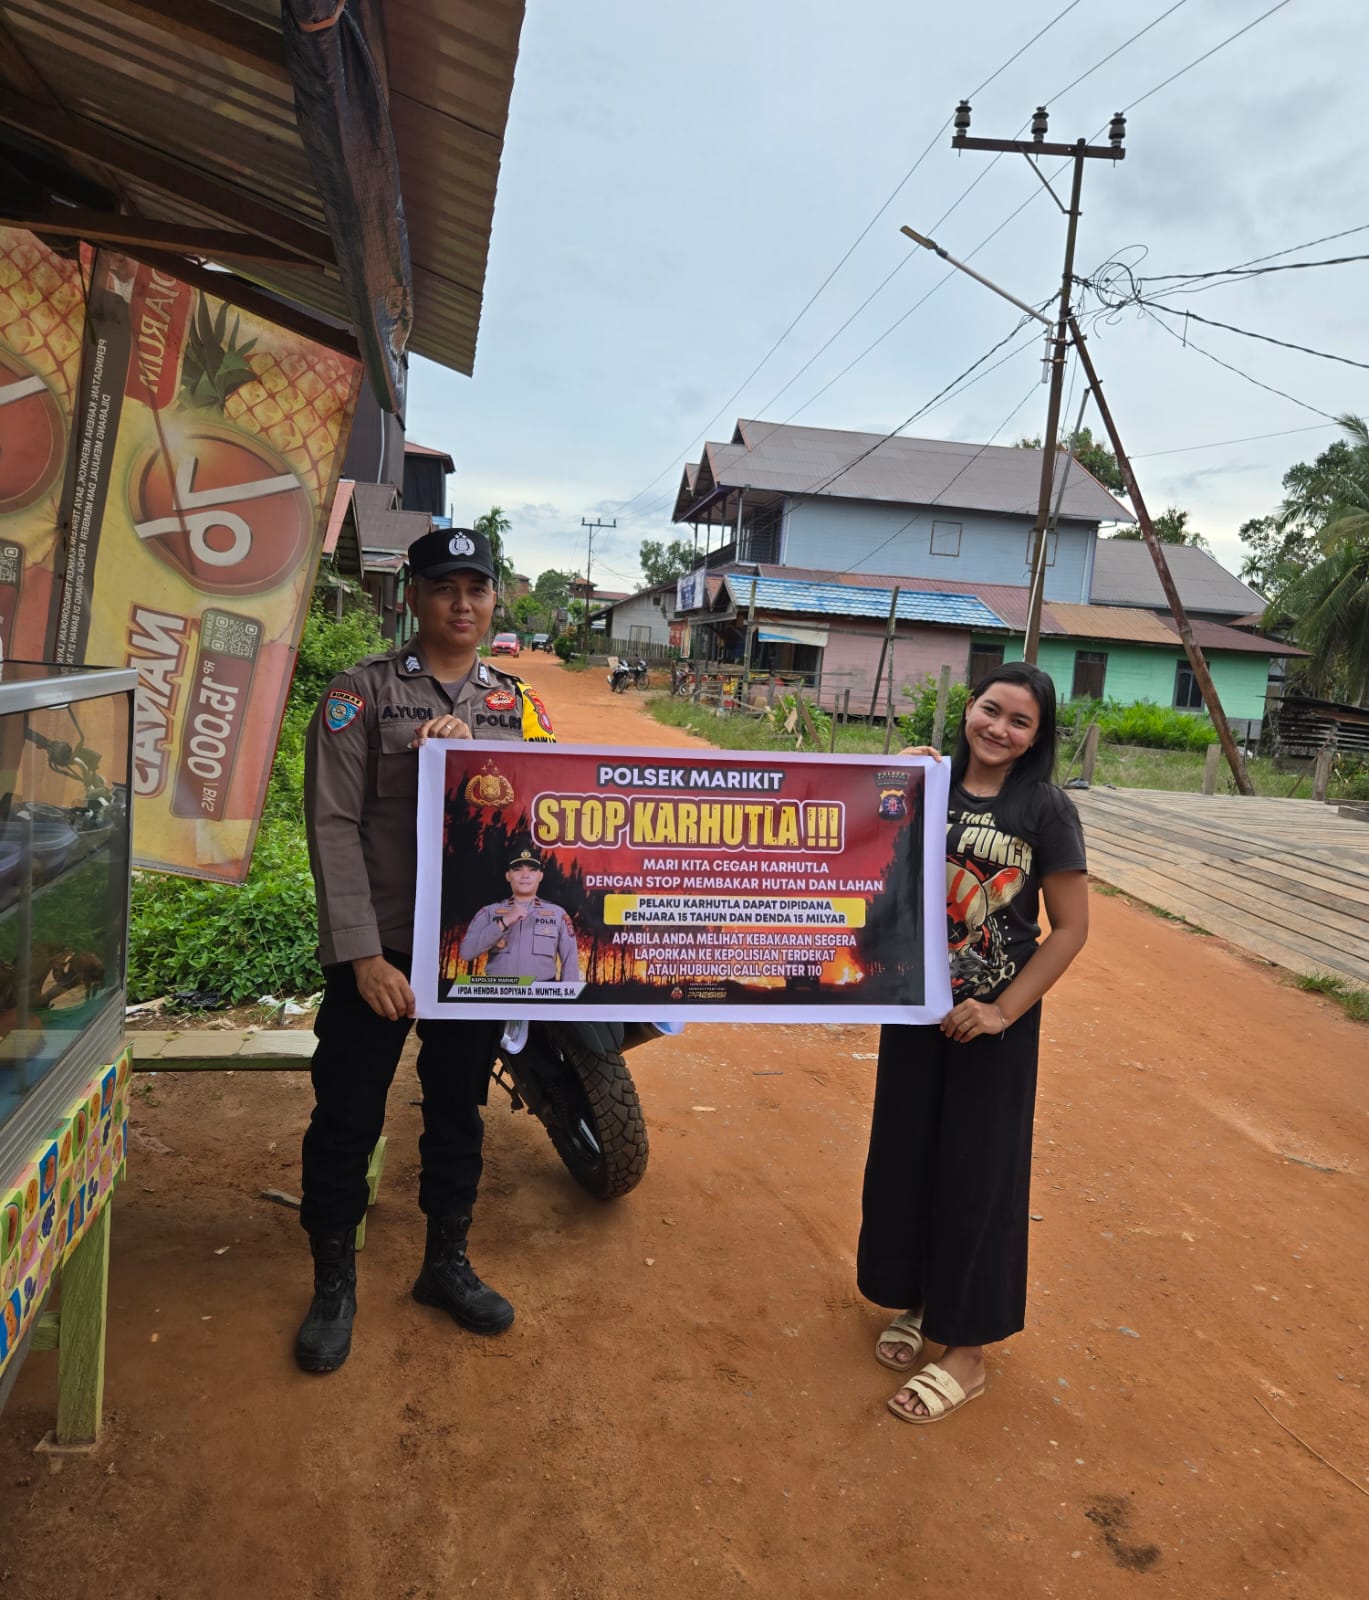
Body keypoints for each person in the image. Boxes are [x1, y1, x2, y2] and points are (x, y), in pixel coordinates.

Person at [294, 525, 555, 1375]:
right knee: (346, 1113)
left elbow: (561, 800)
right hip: (383, 945)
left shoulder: (515, 706)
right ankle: (333, 1281)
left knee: (456, 1111)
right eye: (444, 587)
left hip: (471, 952)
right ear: (412, 595)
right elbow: (332, 824)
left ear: (491, 598)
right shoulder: (359, 693)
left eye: (476, 588)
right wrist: (364, 956)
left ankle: (445, 1263)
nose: (463, 604)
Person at [857, 662, 1089, 1425]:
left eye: (1019, 722)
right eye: (991, 710)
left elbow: (1071, 929)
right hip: (917, 1010)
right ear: (968, 708)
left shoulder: (1045, 811)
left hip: (991, 1029)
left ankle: (967, 1352)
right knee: (909, 1158)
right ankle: (925, 1303)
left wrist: (1002, 1010)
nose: (999, 728)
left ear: (1035, 738)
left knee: (977, 1177)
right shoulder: (922, 786)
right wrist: (897, 779)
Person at [458, 844, 581, 982]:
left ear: (540, 876)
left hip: (542, 997)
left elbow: (570, 962)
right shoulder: (488, 912)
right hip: (499, 996)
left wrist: (567, 999)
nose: (525, 875)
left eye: (532, 870)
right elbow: (466, 953)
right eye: (517, 870)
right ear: (508, 876)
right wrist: (503, 922)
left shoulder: (558, 914)